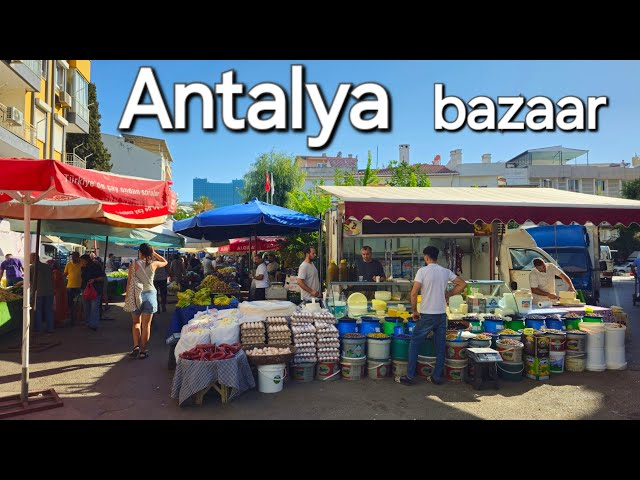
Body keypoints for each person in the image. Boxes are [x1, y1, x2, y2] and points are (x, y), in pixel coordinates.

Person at [398, 246, 466, 386]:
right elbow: (462, 284)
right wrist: (448, 294)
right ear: (436, 257)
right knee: (440, 346)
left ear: (426, 257)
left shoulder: (422, 271)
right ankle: (436, 377)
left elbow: (413, 293)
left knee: (415, 343)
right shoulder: (445, 271)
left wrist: (414, 311)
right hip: (441, 314)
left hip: (427, 314)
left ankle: (410, 376)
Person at [125, 243, 168, 360]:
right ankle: (143, 351)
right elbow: (165, 262)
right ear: (149, 253)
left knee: (135, 323)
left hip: (136, 295)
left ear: (139, 252)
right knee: (146, 325)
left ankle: (136, 346)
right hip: (149, 295)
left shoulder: (133, 264)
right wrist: (154, 253)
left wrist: (127, 296)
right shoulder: (153, 264)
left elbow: (129, 283)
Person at [79, 253, 106, 331]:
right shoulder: (83, 268)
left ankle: (93, 324)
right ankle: (88, 322)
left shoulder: (96, 266)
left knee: (94, 307)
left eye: (82, 261)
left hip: (95, 289)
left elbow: (102, 277)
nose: (81, 262)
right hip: (85, 289)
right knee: (86, 306)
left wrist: (94, 280)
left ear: (86, 260)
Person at [30, 253, 54, 334]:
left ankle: (39, 329)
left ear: (33, 258)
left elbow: (29, 280)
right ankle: (50, 328)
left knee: (38, 311)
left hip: (38, 292)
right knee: (48, 310)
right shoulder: (47, 266)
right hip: (49, 291)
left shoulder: (32, 267)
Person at [64, 251, 83, 325]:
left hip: (79, 287)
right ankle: (72, 319)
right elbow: (65, 274)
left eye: (75, 256)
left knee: (79, 304)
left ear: (78, 257)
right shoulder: (69, 264)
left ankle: (79, 318)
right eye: (72, 256)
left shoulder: (81, 264)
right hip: (70, 287)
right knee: (71, 304)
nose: (73, 258)